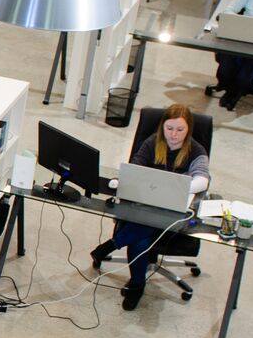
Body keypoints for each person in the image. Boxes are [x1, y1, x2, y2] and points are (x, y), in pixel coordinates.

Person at [88, 103, 210, 311]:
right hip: (145, 204)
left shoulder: (196, 150)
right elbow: (134, 168)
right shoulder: (153, 142)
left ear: (188, 129)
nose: (173, 134)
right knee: (142, 235)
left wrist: (175, 185)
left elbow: (203, 181)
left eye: (180, 130)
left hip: (173, 212)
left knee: (141, 235)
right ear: (162, 126)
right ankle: (136, 283)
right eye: (169, 128)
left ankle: (117, 252)